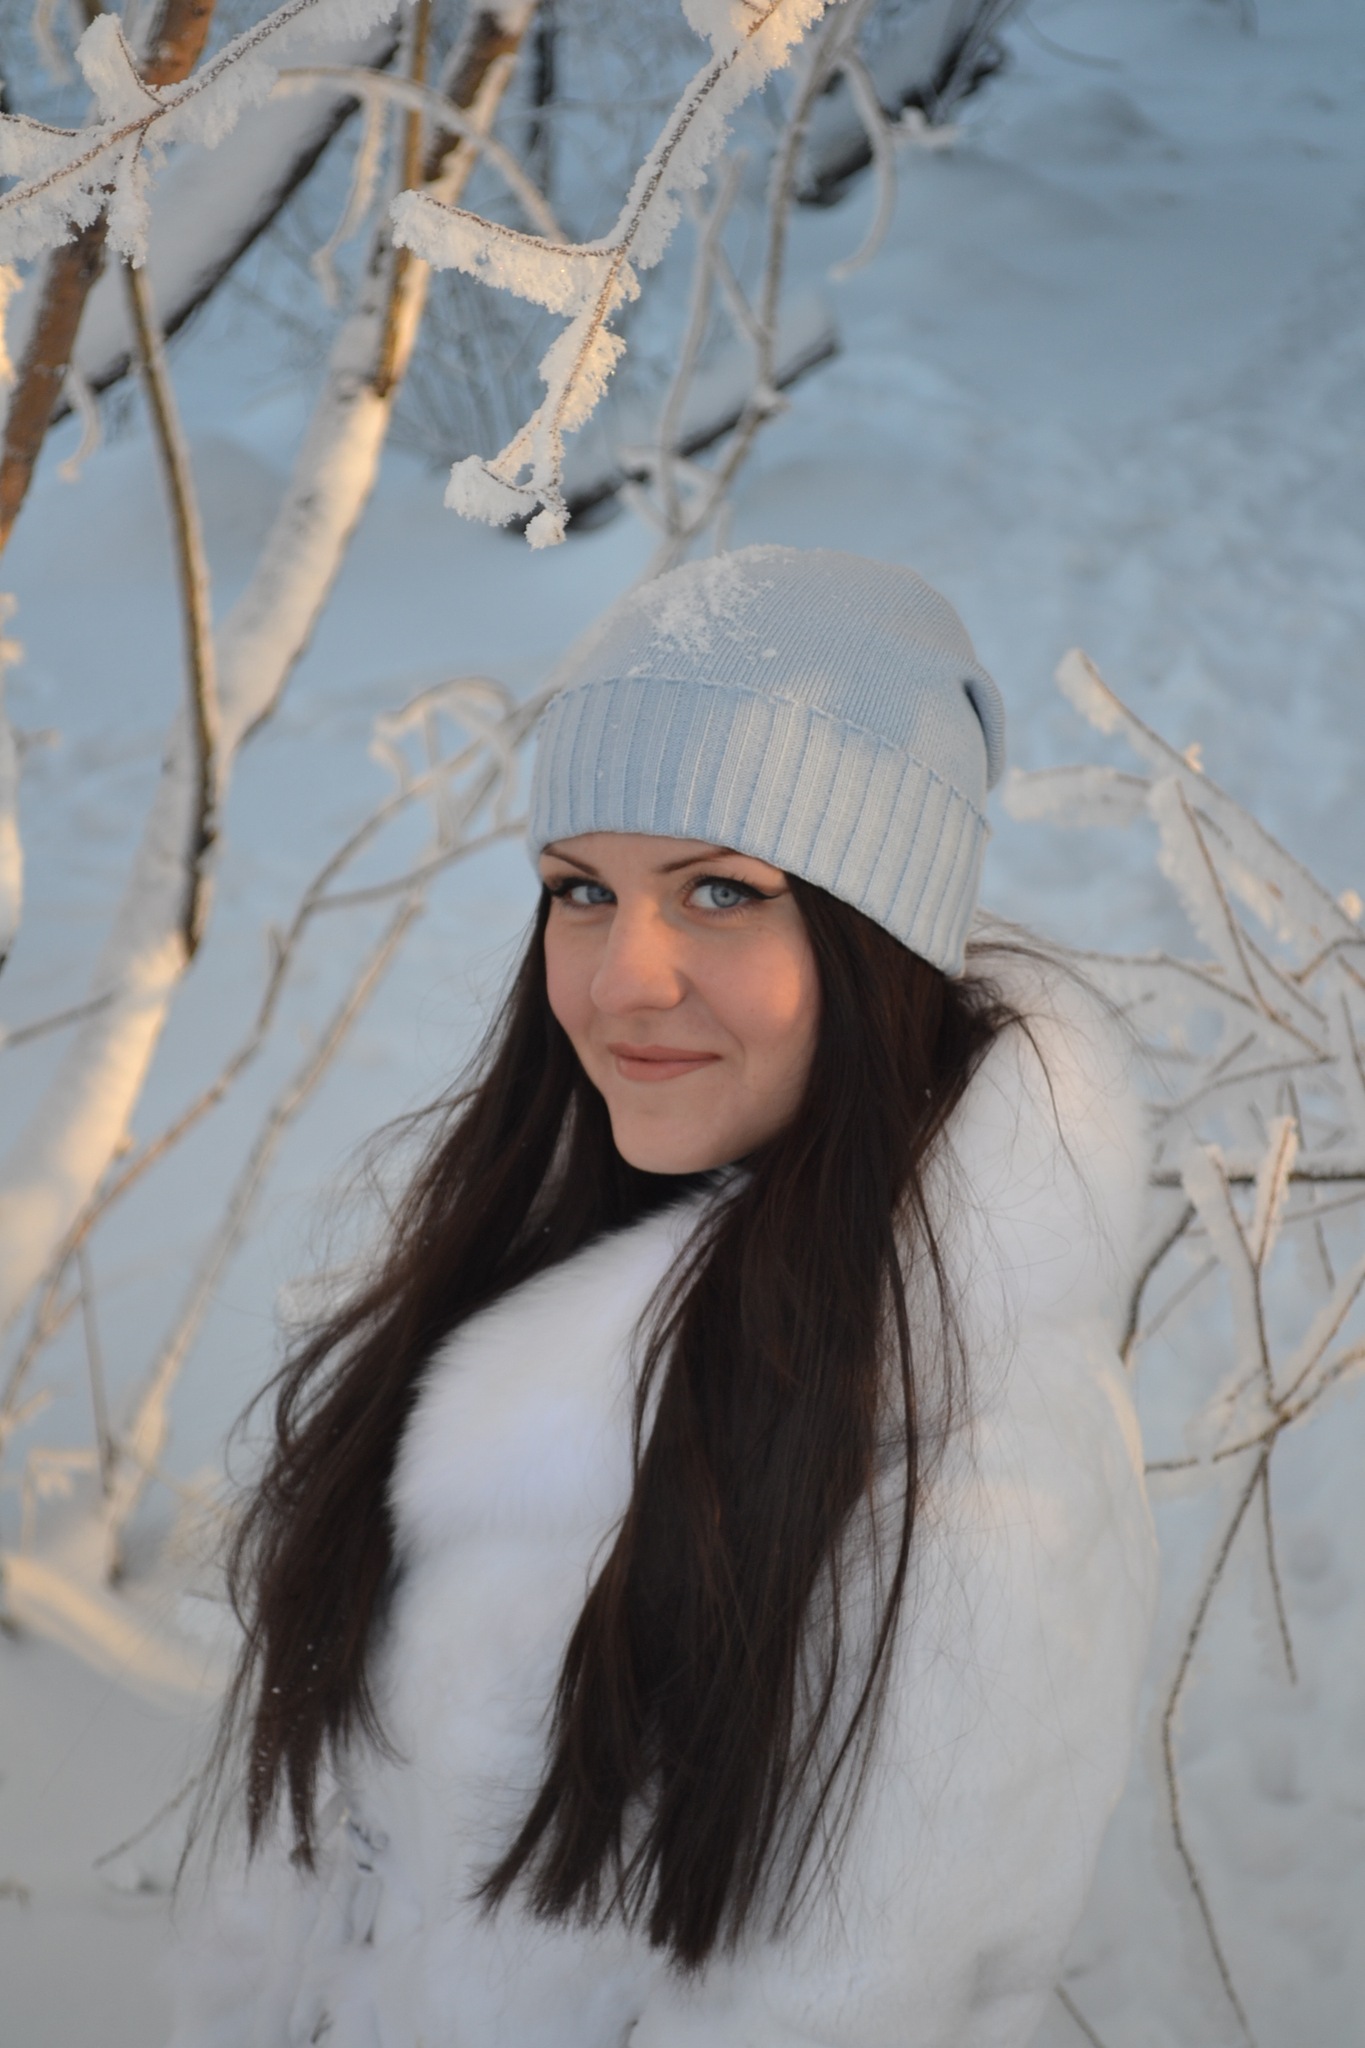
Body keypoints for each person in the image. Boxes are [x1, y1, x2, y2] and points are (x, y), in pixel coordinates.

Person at [167, 547, 1157, 2048]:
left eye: (719, 890)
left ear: (876, 935)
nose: (623, 977)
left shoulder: (973, 1470)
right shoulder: (534, 1251)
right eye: (581, 889)